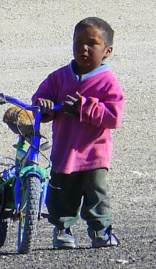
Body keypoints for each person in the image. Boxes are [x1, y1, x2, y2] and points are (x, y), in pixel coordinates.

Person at [32, 16, 124, 249]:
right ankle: (63, 230)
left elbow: (113, 117)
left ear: (107, 51)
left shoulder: (108, 82)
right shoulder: (59, 77)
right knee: (62, 193)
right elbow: (40, 101)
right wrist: (44, 106)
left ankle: (100, 230)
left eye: (91, 43)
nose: (83, 48)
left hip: (94, 153)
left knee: (96, 194)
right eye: (78, 42)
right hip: (64, 151)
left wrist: (84, 107)